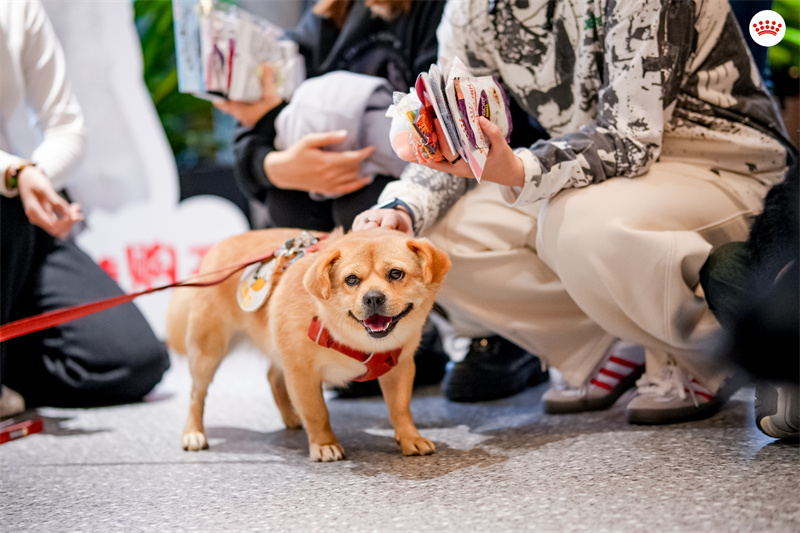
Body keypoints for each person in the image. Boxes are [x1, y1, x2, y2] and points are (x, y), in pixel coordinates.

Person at [353, 0, 793, 423]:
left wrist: (519, 168)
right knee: (429, 246)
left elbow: (629, 139)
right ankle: (618, 342)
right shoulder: (471, 7)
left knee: (579, 221)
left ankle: (716, 350)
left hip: (718, 164)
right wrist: (402, 206)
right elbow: (456, 138)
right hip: (594, 170)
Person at [0, 0, 169, 417]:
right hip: (10, 193)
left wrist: (35, 173)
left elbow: (67, 127)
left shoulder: (18, 9)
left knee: (130, 360)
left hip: (18, 213)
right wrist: (15, 172)